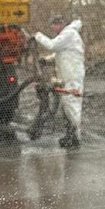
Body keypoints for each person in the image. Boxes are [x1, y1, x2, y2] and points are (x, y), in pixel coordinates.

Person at [34, 15, 85, 149]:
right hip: (68, 74)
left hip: (72, 74)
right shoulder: (68, 35)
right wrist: (47, 60)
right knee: (67, 104)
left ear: (60, 24)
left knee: (71, 103)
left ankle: (75, 136)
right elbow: (61, 53)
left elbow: (53, 45)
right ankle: (70, 135)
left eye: (54, 25)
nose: (52, 28)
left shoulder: (69, 33)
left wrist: (37, 36)